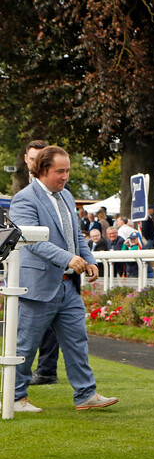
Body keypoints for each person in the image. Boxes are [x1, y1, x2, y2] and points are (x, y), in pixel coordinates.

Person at [9, 146, 118, 412]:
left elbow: (77, 236)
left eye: (68, 170)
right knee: (25, 344)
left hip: (68, 286)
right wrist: (67, 259)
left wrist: (89, 259)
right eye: (60, 171)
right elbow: (30, 240)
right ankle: (14, 397)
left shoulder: (67, 196)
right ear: (43, 170)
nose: (65, 176)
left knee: (77, 340)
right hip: (37, 286)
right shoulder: (24, 199)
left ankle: (85, 394)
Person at [21, 139, 59, 386]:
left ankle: (47, 370)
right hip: (29, 270)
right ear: (27, 159)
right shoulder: (24, 195)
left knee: (57, 330)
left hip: (54, 269)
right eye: (33, 157)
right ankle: (18, 388)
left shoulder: (59, 192)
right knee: (27, 333)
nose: (36, 161)